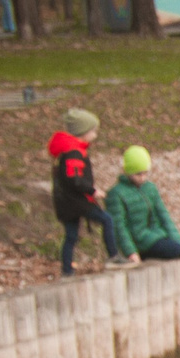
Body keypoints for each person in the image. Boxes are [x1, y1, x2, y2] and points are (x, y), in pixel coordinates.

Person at [48, 109, 134, 274]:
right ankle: (113, 257)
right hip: (77, 202)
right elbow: (74, 179)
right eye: (93, 131)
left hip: (65, 202)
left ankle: (67, 271)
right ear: (83, 132)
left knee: (71, 236)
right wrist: (92, 191)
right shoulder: (73, 152)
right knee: (107, 220)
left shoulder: (68, 150)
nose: (95, 134)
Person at [104, 147, 180, 260]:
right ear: (128, 172)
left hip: (157, 234)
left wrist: (176, 238)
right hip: (140, 240)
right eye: (138, 174)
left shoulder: (150, 188)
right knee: (174, 249)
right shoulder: (116, 193)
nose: (142, 178)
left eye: (145, 173)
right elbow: (119, 227)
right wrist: (131, 252)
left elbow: (163, 215)